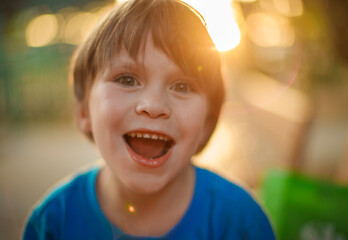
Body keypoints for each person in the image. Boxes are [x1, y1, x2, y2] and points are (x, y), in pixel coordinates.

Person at [23, 0, 276, 239]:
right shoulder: (53, 223)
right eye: (127, 80)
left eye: (182, 86)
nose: (154, 106)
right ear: (84, 112)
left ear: (206, 124)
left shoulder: (240, 222)